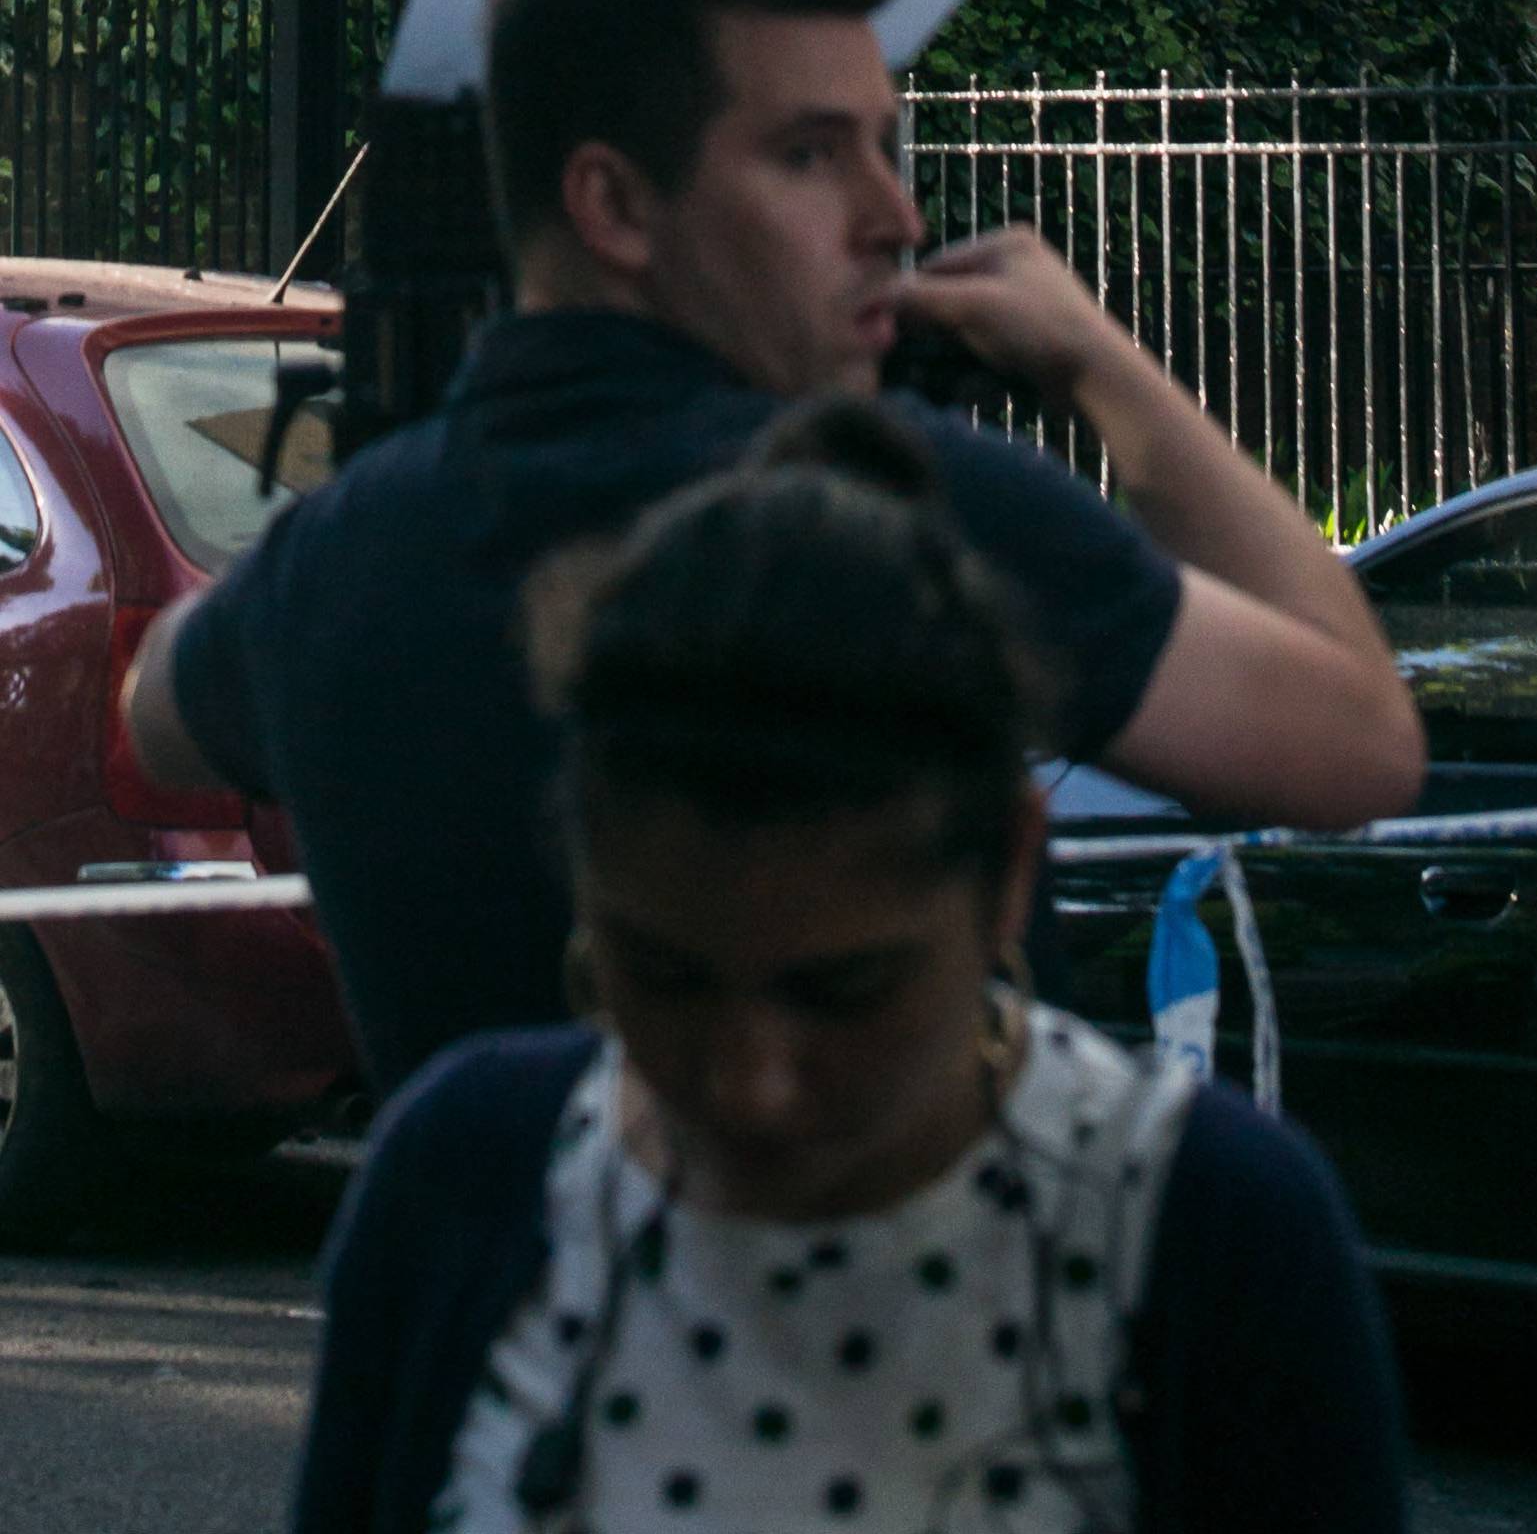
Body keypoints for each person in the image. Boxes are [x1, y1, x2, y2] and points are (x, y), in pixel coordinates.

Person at [126, 0, 1421, 1094]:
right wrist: (1102, 363)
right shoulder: (903, 510)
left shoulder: (338, 560)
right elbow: (1359, 744)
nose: (894, 214)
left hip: (518, 1310)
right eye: (812, 153)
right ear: (615, 204)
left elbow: (156, 708)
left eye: (884, 144)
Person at [291, 396, 1407, 1534]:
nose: (751, 1085)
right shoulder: (466, 1182)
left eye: (846, 992)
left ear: (1011, 873)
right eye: (663, 977)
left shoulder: (1209, 1236)